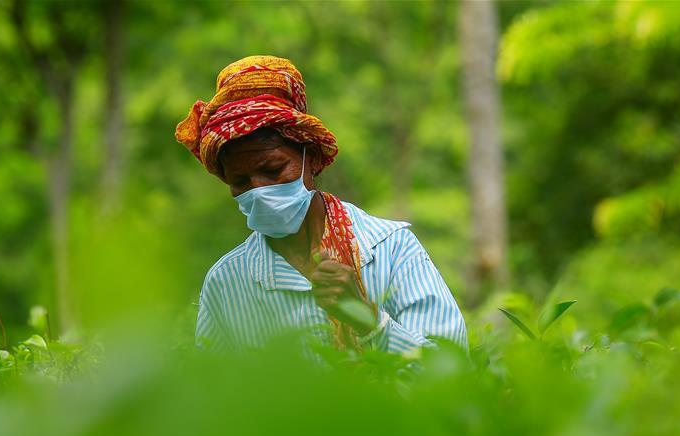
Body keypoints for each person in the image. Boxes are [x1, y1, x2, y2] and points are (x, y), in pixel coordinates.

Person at [176, 55, 467, 354]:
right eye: (240, 181)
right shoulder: (227, 283)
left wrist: (370, 323)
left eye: (273, 170)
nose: (259, 190)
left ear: (311, 159)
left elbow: (451, 373)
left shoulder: (390, 250)